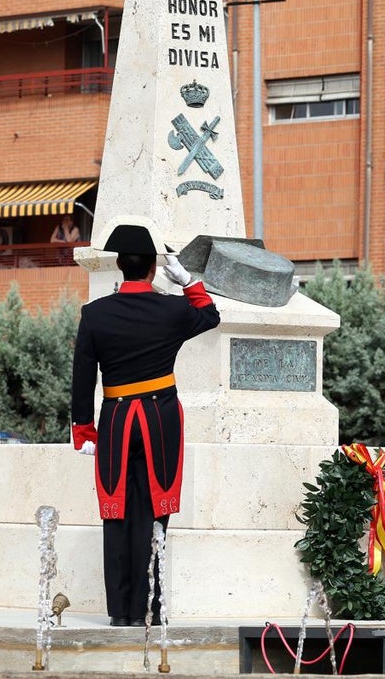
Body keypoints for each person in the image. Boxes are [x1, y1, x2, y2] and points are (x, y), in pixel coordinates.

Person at [69, 219, 221, 627]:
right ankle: (152, 609)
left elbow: (82, 376)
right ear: (154, 269)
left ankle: (122, 612)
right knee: (155, 512)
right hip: (159, 417)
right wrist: (188, 281)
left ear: (120, 266)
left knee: (116, 512)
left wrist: (83, 428)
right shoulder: (172, 309)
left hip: (117, 418)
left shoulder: (95, 314)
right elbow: (211, 317)